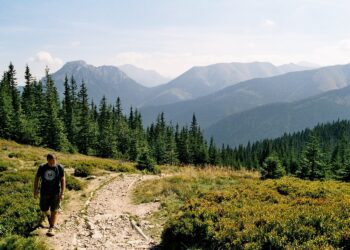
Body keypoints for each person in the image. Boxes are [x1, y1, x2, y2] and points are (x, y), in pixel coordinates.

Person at [34, 153, 65, 236]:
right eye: (50, 162)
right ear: (47, 161)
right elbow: (37, 178)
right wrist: (35, 190)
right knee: (43, 208)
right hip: (44, 192)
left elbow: (62, 180)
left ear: (56, 160)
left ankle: (52, 227)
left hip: (55, 193)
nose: (52, 164)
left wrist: (62, 193)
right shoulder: (42, 167)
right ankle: (49, 217)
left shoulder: (60, 168)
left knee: (54, 210)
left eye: (54, 161)